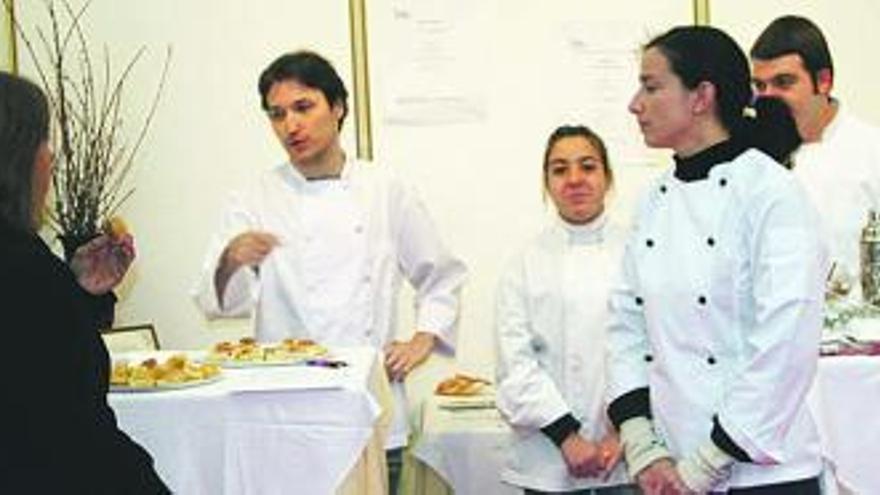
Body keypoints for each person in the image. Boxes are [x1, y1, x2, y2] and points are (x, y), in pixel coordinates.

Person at [192, 50, 467, 493]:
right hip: (284, 414)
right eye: (277, 115)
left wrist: (422, 338)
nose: (291, 126)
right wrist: (231, 260)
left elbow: (442, 276)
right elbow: (218, 303)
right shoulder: (254, 197)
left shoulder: (385, 190)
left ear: (337, 107)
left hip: (369, 410)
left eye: (304, 107)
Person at [606, 26, 826, 494]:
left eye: (650, 86)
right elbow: (626, 324)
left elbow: (788, 337)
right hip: (670, 466)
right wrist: (643, 444)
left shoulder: (772, 193)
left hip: (764, 473)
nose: (634, 103)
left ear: (701, 96)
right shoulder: (652, 202)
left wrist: (709, 462)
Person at [0, 72, 168, 493]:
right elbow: (71, 441)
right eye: (44, 141)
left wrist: (73, 292)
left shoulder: (34, 274)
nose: (51, 158)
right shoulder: (27, 273)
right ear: (17, 157)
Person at [495, 125, 636, 494]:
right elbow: (514, 363)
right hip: (547, 457)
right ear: (546, 183)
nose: (574, 180)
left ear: (607, 177)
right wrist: (567, 437)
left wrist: (624, 430)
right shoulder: (524, 263)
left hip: (628, 455)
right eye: (560, 169)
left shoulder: (639, 252)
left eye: (587, 166)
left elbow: (658, 351)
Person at [751, 15, 880, 289]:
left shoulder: (871, 150)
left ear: (823, 81)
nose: (769, 97)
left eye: (783, 82)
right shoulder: (753, 160)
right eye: (760, 86)